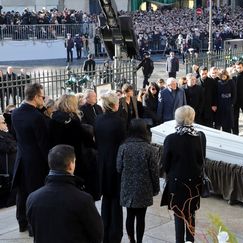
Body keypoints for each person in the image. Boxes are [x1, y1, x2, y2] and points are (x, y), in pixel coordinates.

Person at [26, 144, 103, 243]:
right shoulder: (83, 199)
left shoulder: (32, 198)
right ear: (71, 165)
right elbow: (97, 234)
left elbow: (34, 230)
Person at [161, 106, 206, 243]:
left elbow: (165, 164)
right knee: (191, 213)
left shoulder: (170, 139)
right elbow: (202, 160)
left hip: (176, 182)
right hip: (194, 183)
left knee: (178, 215)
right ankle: (190, 241)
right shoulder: (200, 137)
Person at [11, 83, 49, 235]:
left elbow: (15, 135)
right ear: (35, 97)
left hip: (21, 158)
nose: (44, 99)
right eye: (43, 97)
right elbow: (43, 143)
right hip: (36, 162)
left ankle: (22, 223)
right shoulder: (37, 117)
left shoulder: (15, 113)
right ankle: (34, 228)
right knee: (35, 193)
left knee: (23, 193)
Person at [117, 119, 160, 243]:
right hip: (144, 188)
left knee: (130, 216)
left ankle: (132, 240)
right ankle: (139, 241)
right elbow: (154, 171)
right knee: (141, 217)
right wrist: (156, 188)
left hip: (127, 187)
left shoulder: (123, 147)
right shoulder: (150, 149)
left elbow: (119, 168)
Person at [95, 92, 127, 243]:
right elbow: (123, 143)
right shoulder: (119, 121)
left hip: (102, 162)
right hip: (115, 163)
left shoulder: (98, 119)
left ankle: (105, 231)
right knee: (116, 200)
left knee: (106, 199)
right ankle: (115, 234)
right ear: (114, 105)